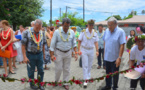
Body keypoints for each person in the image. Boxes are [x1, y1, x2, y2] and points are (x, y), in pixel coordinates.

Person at [50, 18, 78, 90]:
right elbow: (52, 44)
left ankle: (65, 83)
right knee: (58, 69)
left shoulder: (71, 32)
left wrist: (75, 53)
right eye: (65, 26)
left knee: (67, 69)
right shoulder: (56, 32)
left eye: (68, 26)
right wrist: (52, 55)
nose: (66, 28)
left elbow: (74, 43)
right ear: (62, 25)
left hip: (68, 53)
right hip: (58, 53)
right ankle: (56, 81)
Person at [101, 17, 126, 90]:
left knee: (115, 73)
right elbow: (105, 43)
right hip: (107, 57)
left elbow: (122, 45)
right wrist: (104, 56)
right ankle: (108, 85)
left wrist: (119, 57)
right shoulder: (106, 31)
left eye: (110, 25)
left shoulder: (120, 31)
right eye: (108, 25)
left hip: (115, 58)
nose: (109, 27)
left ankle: (115, 87)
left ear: (116, 24)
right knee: (107, 73)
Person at [21, 19, 46, 90]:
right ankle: (32, 84)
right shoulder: (26, 32)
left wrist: (44, 54)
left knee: (41, 70)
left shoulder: (42, 33)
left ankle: (40, 84)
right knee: (31, 71)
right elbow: (23, 45)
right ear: (34, 25)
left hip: (39, 54)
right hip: (30, 54)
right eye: (37, 27)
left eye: (39, 28)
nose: (38, 29)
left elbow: (44, 44)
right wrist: (24, 57)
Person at [78, 19, 99, 88]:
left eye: (92, 25)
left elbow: (96, 42)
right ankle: (85, 80)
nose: (91, 26)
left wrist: (97, 50)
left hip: (91, 50)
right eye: (90, 25)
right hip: (84, 50)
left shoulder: (95, 32)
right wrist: (78, 50)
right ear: (88, 25)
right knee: (85, 65)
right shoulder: (83, 32)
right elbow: (79, 41)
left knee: (90, 65)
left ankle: (88, 76)